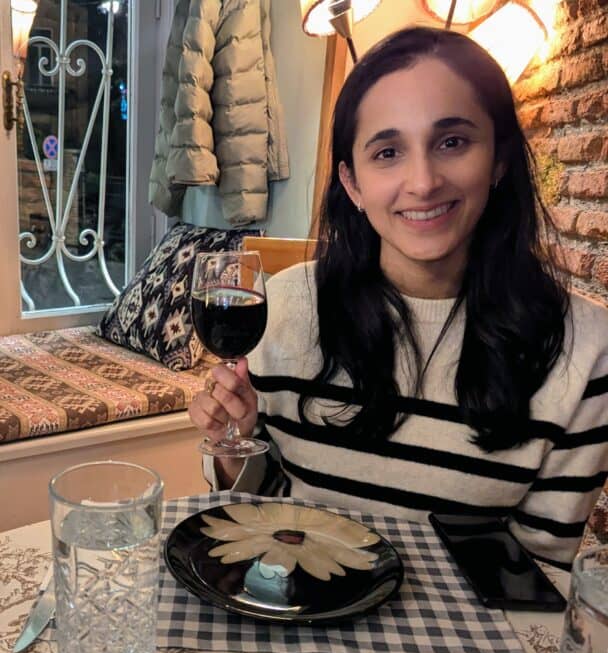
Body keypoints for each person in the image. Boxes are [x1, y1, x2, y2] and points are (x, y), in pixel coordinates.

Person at [188, 26, 608, 569]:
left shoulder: (585, 349)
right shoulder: (286, 306)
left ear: (499, 160)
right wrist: (235, 444)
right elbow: (266, 507)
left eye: (452, 142)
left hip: (459, 625)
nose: (423, 181)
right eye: (388, 152)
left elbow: (537, 575)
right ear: (353, 183)